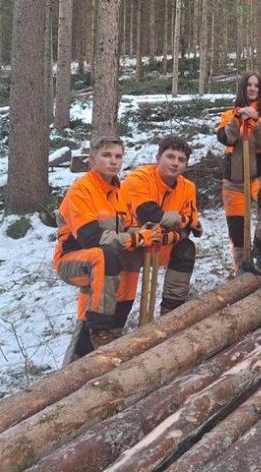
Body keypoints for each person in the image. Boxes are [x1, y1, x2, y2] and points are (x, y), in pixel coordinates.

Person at [54, 136, 179, 359]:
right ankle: (99, 330)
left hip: (106, 260)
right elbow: (92, 238)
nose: (113, 161)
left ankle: (117, 321)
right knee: (104, 255)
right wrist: (136, 238)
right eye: (107, 155)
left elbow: (128, 228)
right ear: (93, 159)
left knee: (130, 255)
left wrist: (146, 233)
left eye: (118, 156)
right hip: (72, 259)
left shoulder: (119, 192)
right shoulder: (80, 191)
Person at [122, 136, 201, 316]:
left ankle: (170, 313)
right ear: (158, 158)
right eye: (170, 157)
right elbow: (148, 214)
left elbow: (191, 227)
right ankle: (114, 322)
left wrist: (171, 234)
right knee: (123, 260)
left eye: (181, 160)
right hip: (133, 243)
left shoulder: (188, 187)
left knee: (186, 248)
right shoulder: (139, 177)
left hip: (163, 244)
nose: (175, 163)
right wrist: (180, 220)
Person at [215, 71, 261, 274]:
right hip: (234, 180)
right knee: (237, 230)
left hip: (260, 176)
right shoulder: (228, 115)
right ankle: (241, 266)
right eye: (249, 84)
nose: (252, 88)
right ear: (243, 87)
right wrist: (237, 119)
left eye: (256, 85)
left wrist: (255, 122)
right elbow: (226, 138)